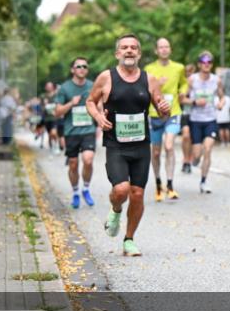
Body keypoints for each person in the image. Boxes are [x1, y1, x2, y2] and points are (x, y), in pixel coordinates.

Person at [87, 34, 170, 257]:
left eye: (133, 47)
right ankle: (115, 209)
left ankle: (129, 239)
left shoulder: (149, 79)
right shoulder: (106, 77)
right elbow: (90, 101)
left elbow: (162, 111)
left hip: (141, 144)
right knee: (121, 190)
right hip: (116, 144)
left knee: (137, 193)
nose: (129, 51)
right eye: (124, 48)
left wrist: (164, 109)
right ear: (117, 53)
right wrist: (98, 118)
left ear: (139, 54)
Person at [145, 38, 187, 201]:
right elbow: (145, 90)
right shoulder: (149, 69)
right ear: (156, 51)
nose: (164, 49)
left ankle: (170, 185)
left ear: (170, 49)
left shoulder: (178, 68)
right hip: (154, 115)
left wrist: (183, 92)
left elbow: (184, 83)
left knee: (169, 146)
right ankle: (157, 184)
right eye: (161, 47)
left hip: (173, 112)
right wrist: (158, 85)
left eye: (166, 47)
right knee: (155, 152)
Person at [54, 57, 97, 209]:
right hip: (71, 132)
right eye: (78, 66)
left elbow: (100, 105)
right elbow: (57, 112)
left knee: (88, 160)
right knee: (73, 165)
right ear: (72, 69)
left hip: (88, 130)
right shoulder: (65, 88)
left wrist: (100, 124)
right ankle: (76, 192)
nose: (82, 69)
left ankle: (85, 188)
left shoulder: (93, 86)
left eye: (85, 66)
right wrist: (71, 103)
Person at [187, 51, 220, 193]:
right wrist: (194, 101)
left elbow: (222, 96)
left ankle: (203, 181)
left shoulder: (216, 80)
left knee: (208, 149)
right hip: (195, 121)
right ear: (199, 64)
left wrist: (221, 103)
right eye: (204, 62)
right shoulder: (192, 80)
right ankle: (194, 159)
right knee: (197, 154)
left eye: (209, 62)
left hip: (210, 120)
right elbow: (182, 98)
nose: (207, 65)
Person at [180, 62, 195, 173]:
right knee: (186, 136)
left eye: (191, 72)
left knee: (192, 139)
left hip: (197, 115)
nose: (189, 74)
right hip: (184, 113)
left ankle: (189, 161)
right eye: (187, 72)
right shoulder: (182, 84)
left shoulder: (198, 83)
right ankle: (185, 159)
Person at [40, 82, 60, 154]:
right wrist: (45, 105)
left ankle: (57, 145)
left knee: (53, 132)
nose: (49, 87)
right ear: (45, 87)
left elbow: (60, 105)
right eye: (47, 86)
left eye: (50, 86)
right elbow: (41, 108)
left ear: (53, 87)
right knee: (50, 134)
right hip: (46, 118)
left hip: (54, 118)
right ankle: (52, 148)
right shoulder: (43, 96)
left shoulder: (56, 95)